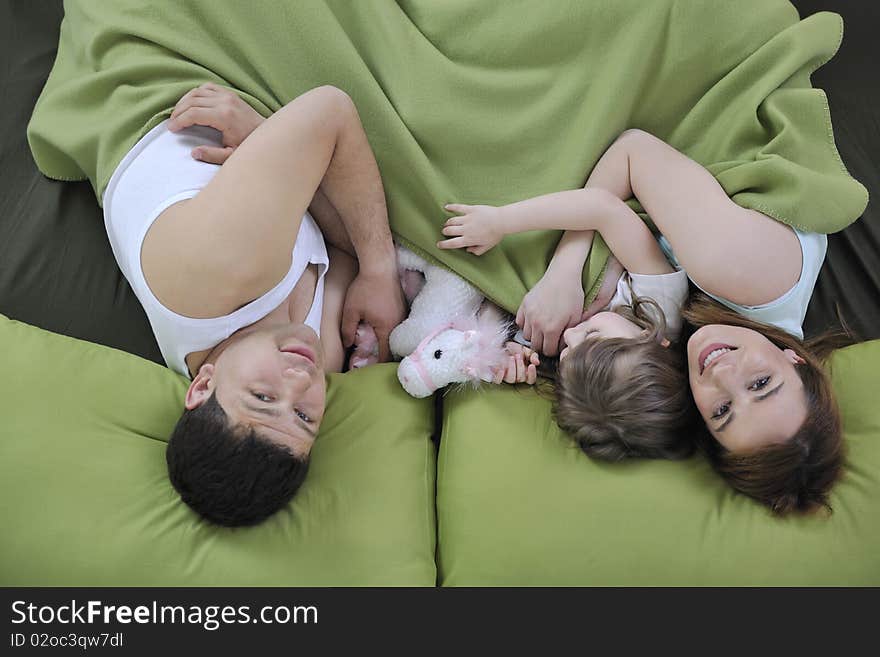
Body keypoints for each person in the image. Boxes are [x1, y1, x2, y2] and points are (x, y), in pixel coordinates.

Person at [439, 128, 844, 514]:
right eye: (760, 384)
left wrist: (510, 353)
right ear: (796, 359)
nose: (722, 375)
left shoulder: (665, 360)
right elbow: (632, 151)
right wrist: (564, 272)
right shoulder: (742, 273)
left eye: (722, 411)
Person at [102, 83, 407, 526]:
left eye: (263, 397)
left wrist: (380, 269)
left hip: (167, 97)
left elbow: (332, 109)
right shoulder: (321, 351)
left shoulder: (214, 273)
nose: (299, 382)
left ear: (202, 385)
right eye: (304, 416)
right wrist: (267, 138)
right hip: (273, 130)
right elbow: (346, 244)